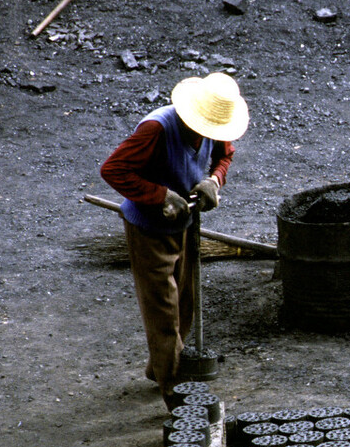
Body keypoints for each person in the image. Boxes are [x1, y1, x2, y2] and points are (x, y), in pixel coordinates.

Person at [101, 72, 248, 408]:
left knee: (184, 304)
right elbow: (113, 170)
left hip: (185, 224)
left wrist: (214, 180)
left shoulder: (215, 130)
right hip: (149, 230)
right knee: (164, 312)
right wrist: (159, 195)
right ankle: (176, 394)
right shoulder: (156, 129)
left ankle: (160, 367)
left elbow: (225, 156)